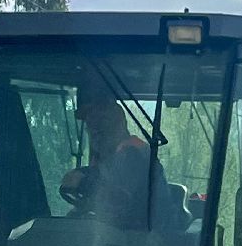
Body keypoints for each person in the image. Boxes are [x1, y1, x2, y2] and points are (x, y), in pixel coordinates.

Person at [59, 80, 168, 229]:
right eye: (90, 124)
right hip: (115, 235)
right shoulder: (108, 159)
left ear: (119, 125)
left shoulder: (133, 155)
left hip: (144, 237)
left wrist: (85, 183)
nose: (94, 130)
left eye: (101, 124)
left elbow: (118, 200)